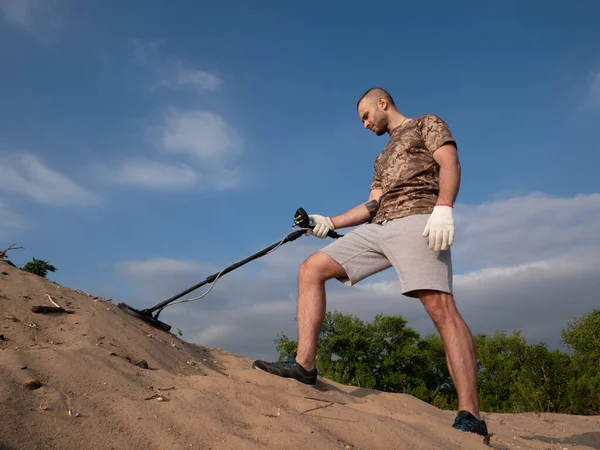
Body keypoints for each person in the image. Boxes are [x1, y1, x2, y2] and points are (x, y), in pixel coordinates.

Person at [252, 87, 489, 437]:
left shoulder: (427, 123)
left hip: (418, 220)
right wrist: (329, 221)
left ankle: (470, 413)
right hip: (380, 228)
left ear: (382, 103)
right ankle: (304, 365)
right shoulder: (381, 158)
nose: (364, 124)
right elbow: (371, 205)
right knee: (311, 269)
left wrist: (444, 208)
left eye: (365, 116)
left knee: (440, 307)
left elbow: (450, 163)